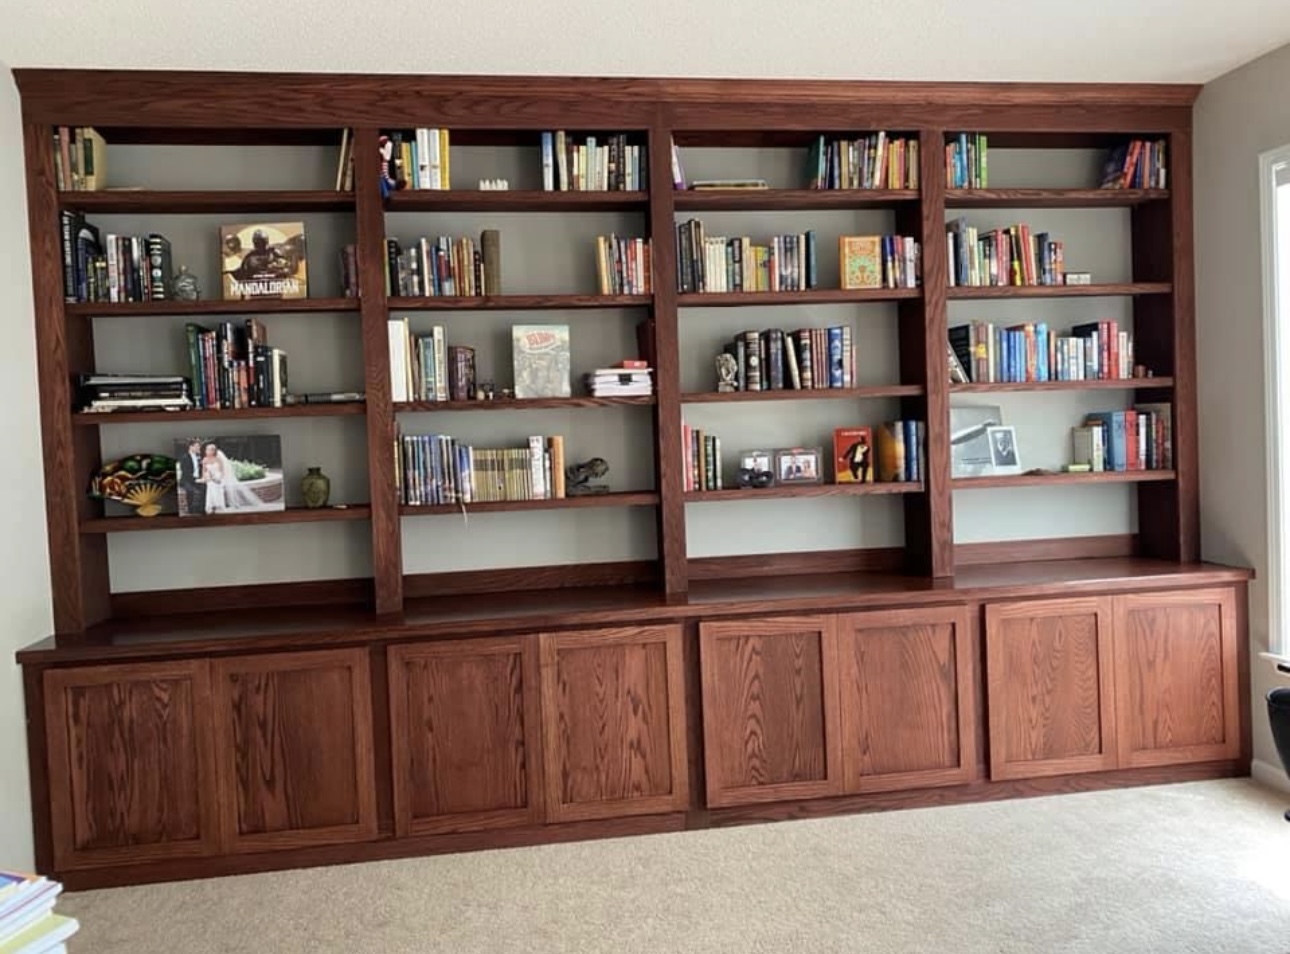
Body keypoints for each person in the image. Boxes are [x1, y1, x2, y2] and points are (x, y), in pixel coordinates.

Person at [178, 439, 207, 515]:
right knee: (191, 491)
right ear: (191, 447)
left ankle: (201, 509)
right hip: (187, 480)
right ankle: (191, 510)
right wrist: (195, 480)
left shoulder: (199, 456)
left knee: (205, 488)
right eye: (197, 446)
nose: (198, 448)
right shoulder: (185, 457)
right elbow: (185, 472)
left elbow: (201, 469)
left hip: (197, 479)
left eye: (199, 446)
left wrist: (202, 478)